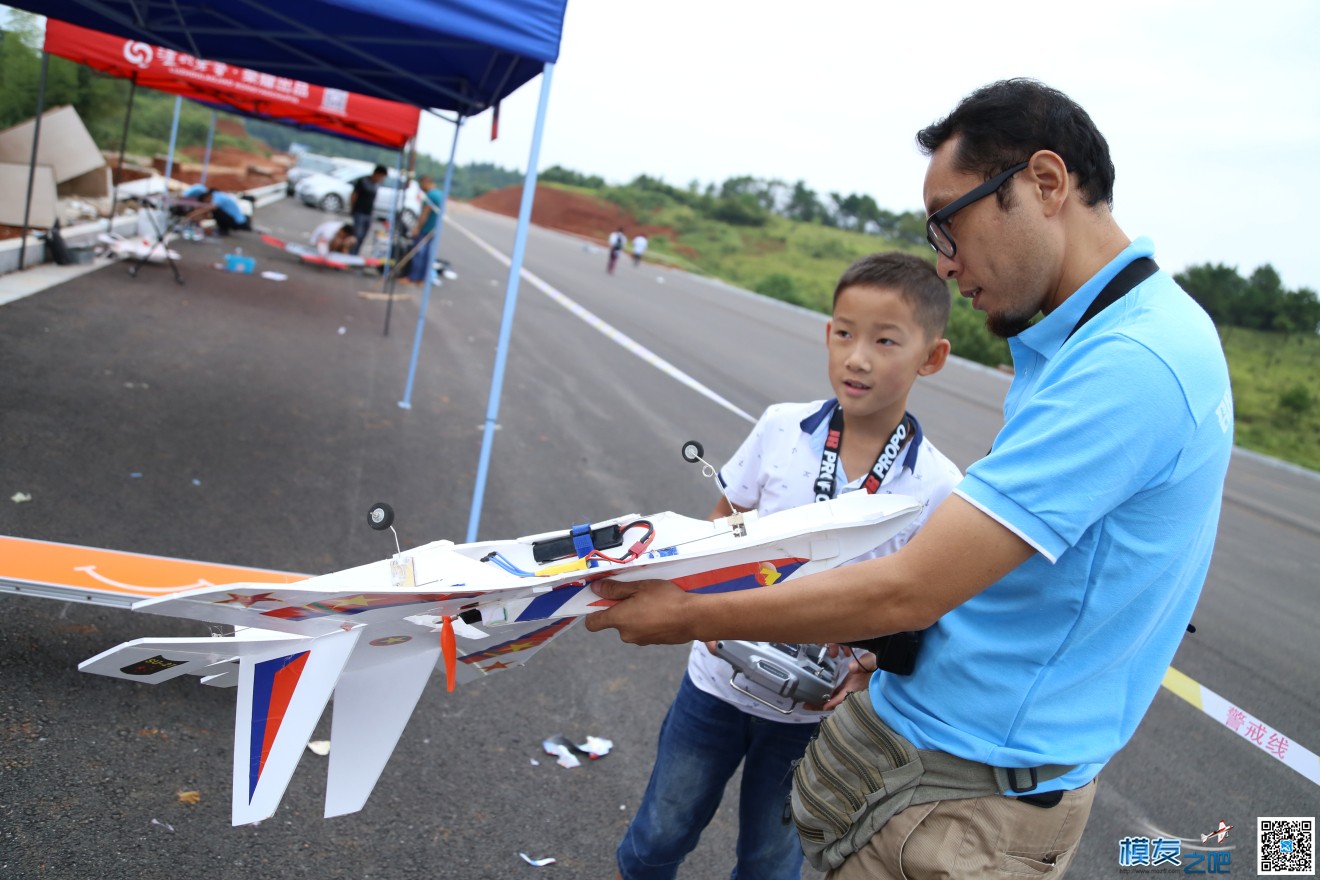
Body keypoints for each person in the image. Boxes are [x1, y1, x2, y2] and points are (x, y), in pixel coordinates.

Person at [586, 78, 1234, 879]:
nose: (943, 261)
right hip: (937, 772)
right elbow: (1015, 585)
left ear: (1044, 183)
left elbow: (911, 588)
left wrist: (690, 613)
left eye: (949, 223)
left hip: (967, 802)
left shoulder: (1133, 364)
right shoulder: (1098, 343)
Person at [614, 252, 964, 880]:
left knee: (771, 865)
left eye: (886, 341)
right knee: (657, 835)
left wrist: (866, 672)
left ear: (931, 357)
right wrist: (707, 605)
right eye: (843, 333)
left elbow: (923, 608)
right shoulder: (782, 428)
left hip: (814, 719)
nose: (857, 357)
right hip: (715, 683)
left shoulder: (938, 486)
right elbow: (725, 518)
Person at [404, 175, 444, 285]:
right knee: (427, 254)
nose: (421, 188)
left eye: (421, 185)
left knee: (419, 254)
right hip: (434, 228)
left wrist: (417, 228)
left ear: (426, 182)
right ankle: (422, 278)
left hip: (426, 228)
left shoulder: (430, 195)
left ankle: (413, 277)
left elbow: (425, 214)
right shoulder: (440, 194)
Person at [349, 165, 388, 255]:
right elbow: (354, 195)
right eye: (381, 176)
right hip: (359, 211)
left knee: (363, 235)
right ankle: (351, 253)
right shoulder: (363, 181)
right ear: (377, 174)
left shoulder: (376, 185)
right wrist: (352, 209)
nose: (381, 179)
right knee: (357, 235)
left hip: (369, 213)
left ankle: (355, 254)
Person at [184, 188, 251, 236]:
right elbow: (208, 214)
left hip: (239, 223)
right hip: (239, 221)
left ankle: (223, 230)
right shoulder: (218, 195)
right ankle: (222, 229)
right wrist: (198, 218)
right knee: (214, 211)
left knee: (215, 210)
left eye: (206, 202)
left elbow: (210, 208)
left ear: (207, 197)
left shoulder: (217, 197)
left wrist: (192, 215)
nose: (207, 203)